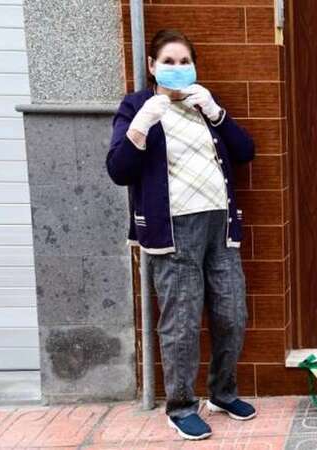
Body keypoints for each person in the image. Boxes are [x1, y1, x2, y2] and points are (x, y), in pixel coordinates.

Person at [106, 29, 256, 441]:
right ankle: (181, 406)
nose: (177, 68)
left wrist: (216, 113)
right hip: (172, 231)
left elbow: (245, 152)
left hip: (220, 227)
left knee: (232, 315)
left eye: (184, 61)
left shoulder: (202, 103)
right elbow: (119, 170)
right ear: (152, 66)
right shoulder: (136, 106)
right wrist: (141, 124)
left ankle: (223, 393)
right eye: (168, 62)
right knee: (182, 323)